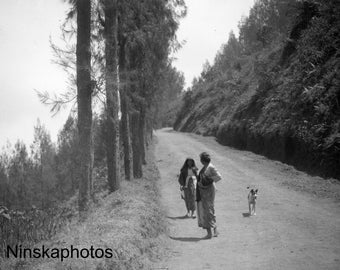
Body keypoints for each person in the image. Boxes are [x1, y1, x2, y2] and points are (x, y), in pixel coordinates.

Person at [196, 152, 222, 239]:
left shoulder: (210, 167)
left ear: (203, 160)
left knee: (207, 210)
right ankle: (215, 230)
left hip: (208, 191)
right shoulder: (206, 167)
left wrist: (208, 181)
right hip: (204, 191)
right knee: (209, 209)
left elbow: (219, 177)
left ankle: (209, 233)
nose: (200, 161)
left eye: (201, 159)